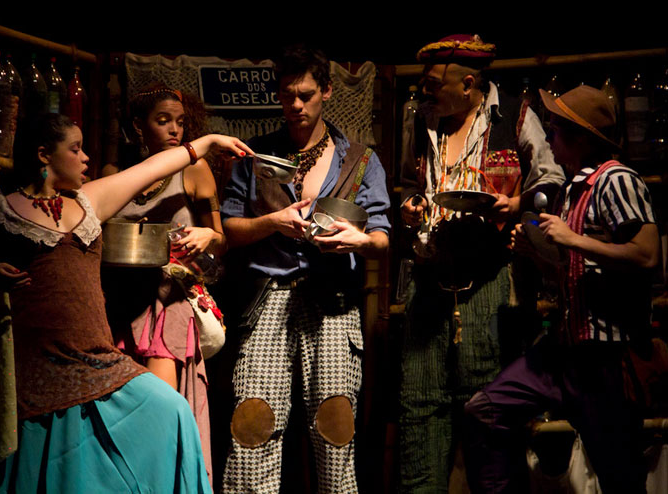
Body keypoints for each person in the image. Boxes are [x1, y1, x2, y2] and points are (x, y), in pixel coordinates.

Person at [0, 113, 251, 493]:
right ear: (44, 155)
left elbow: (150, 169)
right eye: (75, 149)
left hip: (94, 358)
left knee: (173, 410)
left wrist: (207, 142)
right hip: (33, 368)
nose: (86, 159)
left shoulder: (88, 201)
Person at [463, 85, 660, 494]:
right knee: (485, 410)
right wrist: (536, 253)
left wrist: (571, 239)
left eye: (555, 130)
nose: (549, 139)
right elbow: (573, 270)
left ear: (581, 138)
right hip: (565, 351)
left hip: (607, 357)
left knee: (619, 476)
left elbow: (646, 254)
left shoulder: (617, 179)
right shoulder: (572, 189)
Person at [219, 44, 390, 493]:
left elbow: (381, 238)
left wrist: (359, 240)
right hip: (269, 299)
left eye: (306, 95)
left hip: (332, 299)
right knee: (252, 425)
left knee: (335, 430)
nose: (295, 105)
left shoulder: (360, 160)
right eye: (287, 95)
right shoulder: (255, 156)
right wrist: (272, 222)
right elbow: (229, 229)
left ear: (326, 91)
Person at [398, 34, 565, 492]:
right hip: (430, 278)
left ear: (468, 84)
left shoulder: (513, 115)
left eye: (434, 83)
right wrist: (410, 205)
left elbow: (551, 179)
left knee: (488, 409)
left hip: (491, 278)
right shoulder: (422, 119)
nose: (425, 90)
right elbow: (410, 181)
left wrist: (518, 205)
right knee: (420, 408)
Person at [101, 85, 223, 485]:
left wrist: (207, 235)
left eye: (180, 122)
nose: (175, 130)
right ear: (139, 126)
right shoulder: (117, 176)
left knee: (158, 411)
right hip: (122, 302)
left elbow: (221, 239)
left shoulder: (194, 170)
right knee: (121, 415)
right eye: (163, 121)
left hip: (169, 302)